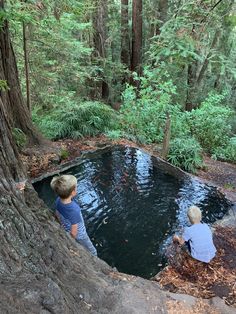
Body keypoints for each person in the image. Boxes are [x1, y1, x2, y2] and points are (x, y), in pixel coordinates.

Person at [50, 174, 97, 256]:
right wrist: (72, 241)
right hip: (80, 235)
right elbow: (74, 230)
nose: (77, 188)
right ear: (73, 192)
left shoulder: (58, 200)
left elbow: (57, 213)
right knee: (92, 250)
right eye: (76, 187)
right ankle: (94, 257)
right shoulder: (74, 209)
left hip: (65, 227)